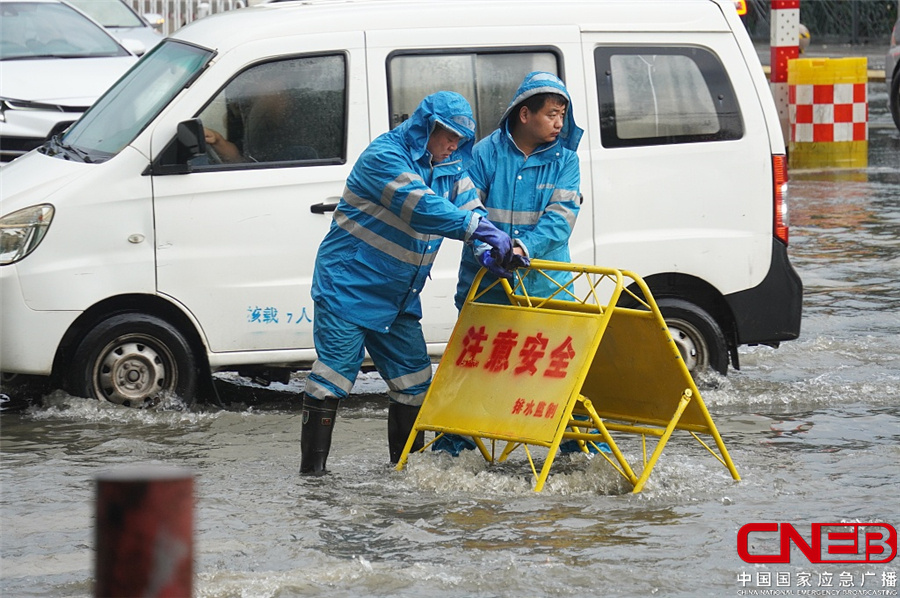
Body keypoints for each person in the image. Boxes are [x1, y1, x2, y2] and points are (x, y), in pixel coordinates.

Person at [299, 91, 514, 476]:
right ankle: (313, 477)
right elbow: (421, 208)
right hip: (349, 285)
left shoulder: (449, 164)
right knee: (332, 378)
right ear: (426, 127)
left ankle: (404, 474)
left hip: (398, 296)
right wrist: (476, 229)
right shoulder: (385, 156)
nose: (453, 145)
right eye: (448, 136)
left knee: (413, 381)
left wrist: (488, 241)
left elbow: (468, 206)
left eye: (460, 140)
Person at [434, 71, 593, 457]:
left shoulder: (566, 161)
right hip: (484, 285)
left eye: (562, 115)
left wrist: (520, 249)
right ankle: (450, 452)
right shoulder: (485, 154)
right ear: (525, 115)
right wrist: (485, 249)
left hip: (545, 286)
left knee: (555, 376)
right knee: (472, 372)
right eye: (552, 114)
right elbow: (469, 209)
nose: (559, 123)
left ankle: (580, 454)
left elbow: (560, 221)